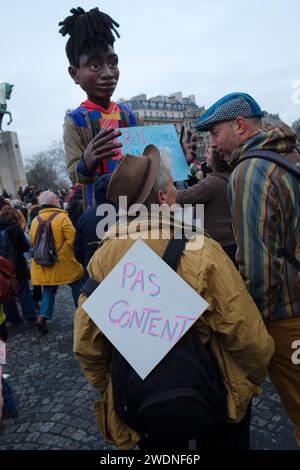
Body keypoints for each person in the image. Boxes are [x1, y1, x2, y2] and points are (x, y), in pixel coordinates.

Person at [73, 145, 274, 450]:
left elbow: (87, 345)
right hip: (213, 388)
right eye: (172, 188)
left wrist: (113, 386)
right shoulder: (200, 249)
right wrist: (247, 381)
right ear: (161, 198)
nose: (177, 194)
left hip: (142, 401)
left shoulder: (103, 258)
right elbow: (246, 333)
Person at [195, 92, 300, 446]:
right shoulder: (288, 155)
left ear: (239, 126)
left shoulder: (248, 171)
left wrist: (250, 333)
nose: (213, 144)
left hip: (288, 316)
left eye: (214, 134)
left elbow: (258, 268)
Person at [59, 6, 143, 208]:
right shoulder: (76, 120)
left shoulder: (128, 116)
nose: (108, 73)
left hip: (136, 206)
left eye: (113, 63)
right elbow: (75, 175)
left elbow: (148, 159)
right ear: (74, 74)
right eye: (95, 65)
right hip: (100, 213)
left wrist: (174, 156)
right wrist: (86, 163)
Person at [29, 191, 83, 334]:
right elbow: (72, 239)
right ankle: (83, 314)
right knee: (77, 285)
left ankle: (42, 317)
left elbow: (33, 240)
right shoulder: (62, 217)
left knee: (49, 289)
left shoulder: (35, 220)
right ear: (53, 202)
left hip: (44, 262)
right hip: (64, 262)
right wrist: (61, 252)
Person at [177, 147, 237, 265]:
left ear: (216, 158)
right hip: (230, 241)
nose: (205, 155)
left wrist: (167, 191)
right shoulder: (229, 176)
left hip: (217, 244)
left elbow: (183, 198)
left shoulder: (212, 183)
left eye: (208, 153)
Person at [0, 205, 36, 324]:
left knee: (6, 291)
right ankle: (30, 316)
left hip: (2, 266)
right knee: (23, 290)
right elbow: (25, 247)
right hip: (17, 264)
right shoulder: (15, 228)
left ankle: (12, 318)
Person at [74, 174, 113, 282]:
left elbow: (78, 252)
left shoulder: (85, 217)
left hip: (93, 278)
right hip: (121, 277)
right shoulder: (128, 215)